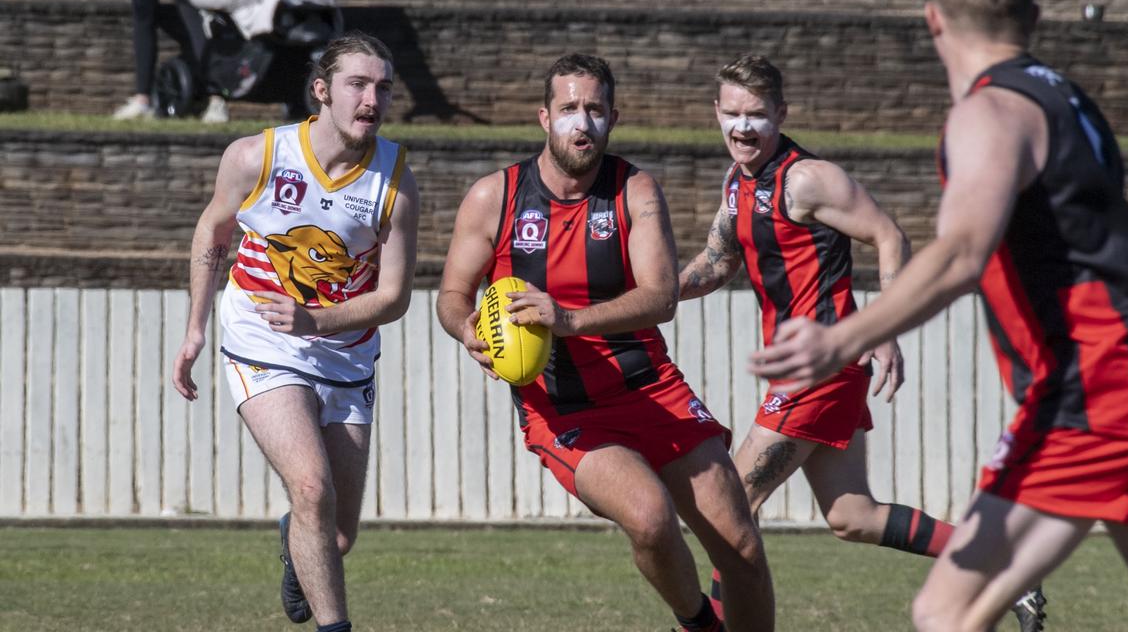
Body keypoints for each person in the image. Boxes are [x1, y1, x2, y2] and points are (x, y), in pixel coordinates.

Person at [750, 0, 1128, 632]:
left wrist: (841, 339)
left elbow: (962, 249)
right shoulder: (1074, 105)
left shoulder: (987, 112)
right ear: (1033, 21)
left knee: (947, 612)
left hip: (1093, 392)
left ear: (933, 19)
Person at [678, 54, 1045, 632]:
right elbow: (718, 262)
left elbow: (888, 234)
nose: (743, 127)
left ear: (781, 114)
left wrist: (886, 331)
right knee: (853, 516)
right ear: (715, 114)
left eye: (757, 115)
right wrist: (653, 299)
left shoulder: (807, 179)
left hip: (821, 367)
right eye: (732, 114)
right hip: (806, 371)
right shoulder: (737, 185)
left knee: (731, 504)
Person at [437, 53, 774, 632]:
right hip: (562, 406)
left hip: (650, 387)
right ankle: (701, 625)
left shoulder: (634, 190)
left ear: (612, 118)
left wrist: (566, 319)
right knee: (649, 518)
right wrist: (465, 327)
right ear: (544, 117)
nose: (581, 122)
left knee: (740, 547)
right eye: (569, 108)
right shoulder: (495, 196)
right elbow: (451, 294)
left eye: (594, 110)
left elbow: (661, 296)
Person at [171, 31, 419, 632]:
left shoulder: (396, 181)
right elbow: (214, 233)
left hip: (345, 355)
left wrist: (321, 321)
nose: (371, 99)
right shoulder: (255, 156)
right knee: (311, 487)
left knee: (336, 533)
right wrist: (195, 329)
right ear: (321, 91)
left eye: (382, 87)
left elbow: (394, 298)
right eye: (357, 84)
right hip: (262, 340)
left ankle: (295, 539)